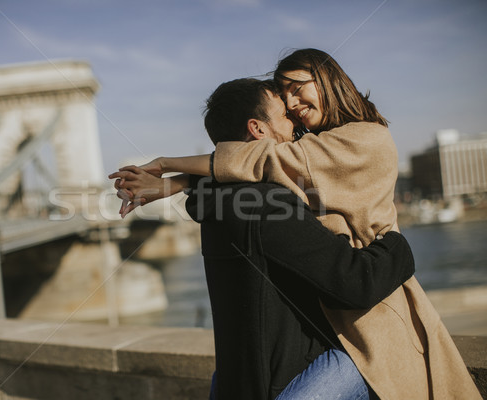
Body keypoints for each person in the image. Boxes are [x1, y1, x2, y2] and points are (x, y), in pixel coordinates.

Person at [110, 49, 481, 399]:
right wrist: (174, 181)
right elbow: (263, 164)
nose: (291, 105)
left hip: (373, 311)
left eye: (296, 88)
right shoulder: (269, 191)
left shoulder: (365, 137)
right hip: (344, 301)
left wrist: (169, 171)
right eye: (284, 98)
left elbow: (269, 160)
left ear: (327, 78)